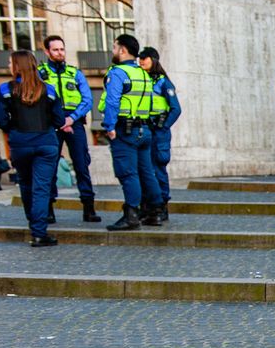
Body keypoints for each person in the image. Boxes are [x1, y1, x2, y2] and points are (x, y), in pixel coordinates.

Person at [0, 51, 63, 247]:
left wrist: (13, 129)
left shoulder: (6, 90)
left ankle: (34, 225)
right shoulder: (48, 90)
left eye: (10, 63)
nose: (8, 66)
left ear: (17, 66)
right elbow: (58, 119)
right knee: (42, 187)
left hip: (20, 143)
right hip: (46, 143)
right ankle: (39, 232)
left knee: (25, 184)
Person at [101, 34, 163, 231]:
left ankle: (131, 215)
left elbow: (112, 101)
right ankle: (154, 212)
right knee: (146, 172)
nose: (113, 51)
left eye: (114, 47)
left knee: (128, 174)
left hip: (124, 130)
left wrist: (109, 127)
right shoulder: (144, 74)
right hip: (144, 130)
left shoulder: (118, 73)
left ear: (123, 50)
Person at [38, 35, 99, 223]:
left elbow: (87, 100)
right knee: (49, 167)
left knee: (82, 165)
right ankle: (48, 209)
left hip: (75, 123)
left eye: (62, 49)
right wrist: (59, 121)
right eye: (55, 50)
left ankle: (89, 208)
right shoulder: (40, 73)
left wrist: (71, 119)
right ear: (47, 52)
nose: (59, 53)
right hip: (51, 125)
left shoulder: (75, 73)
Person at [139, 47, 181, 222]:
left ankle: (162, 206)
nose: (141, 61)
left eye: (145, 58)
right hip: (146, 129)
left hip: (159, 133)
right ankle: (148, 206)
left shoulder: (163, 82)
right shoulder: (141, 80)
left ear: (154, 60)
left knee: (158, 169)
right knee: (144, 170)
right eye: (140, 58)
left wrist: (163, 126)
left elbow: (176, 109)